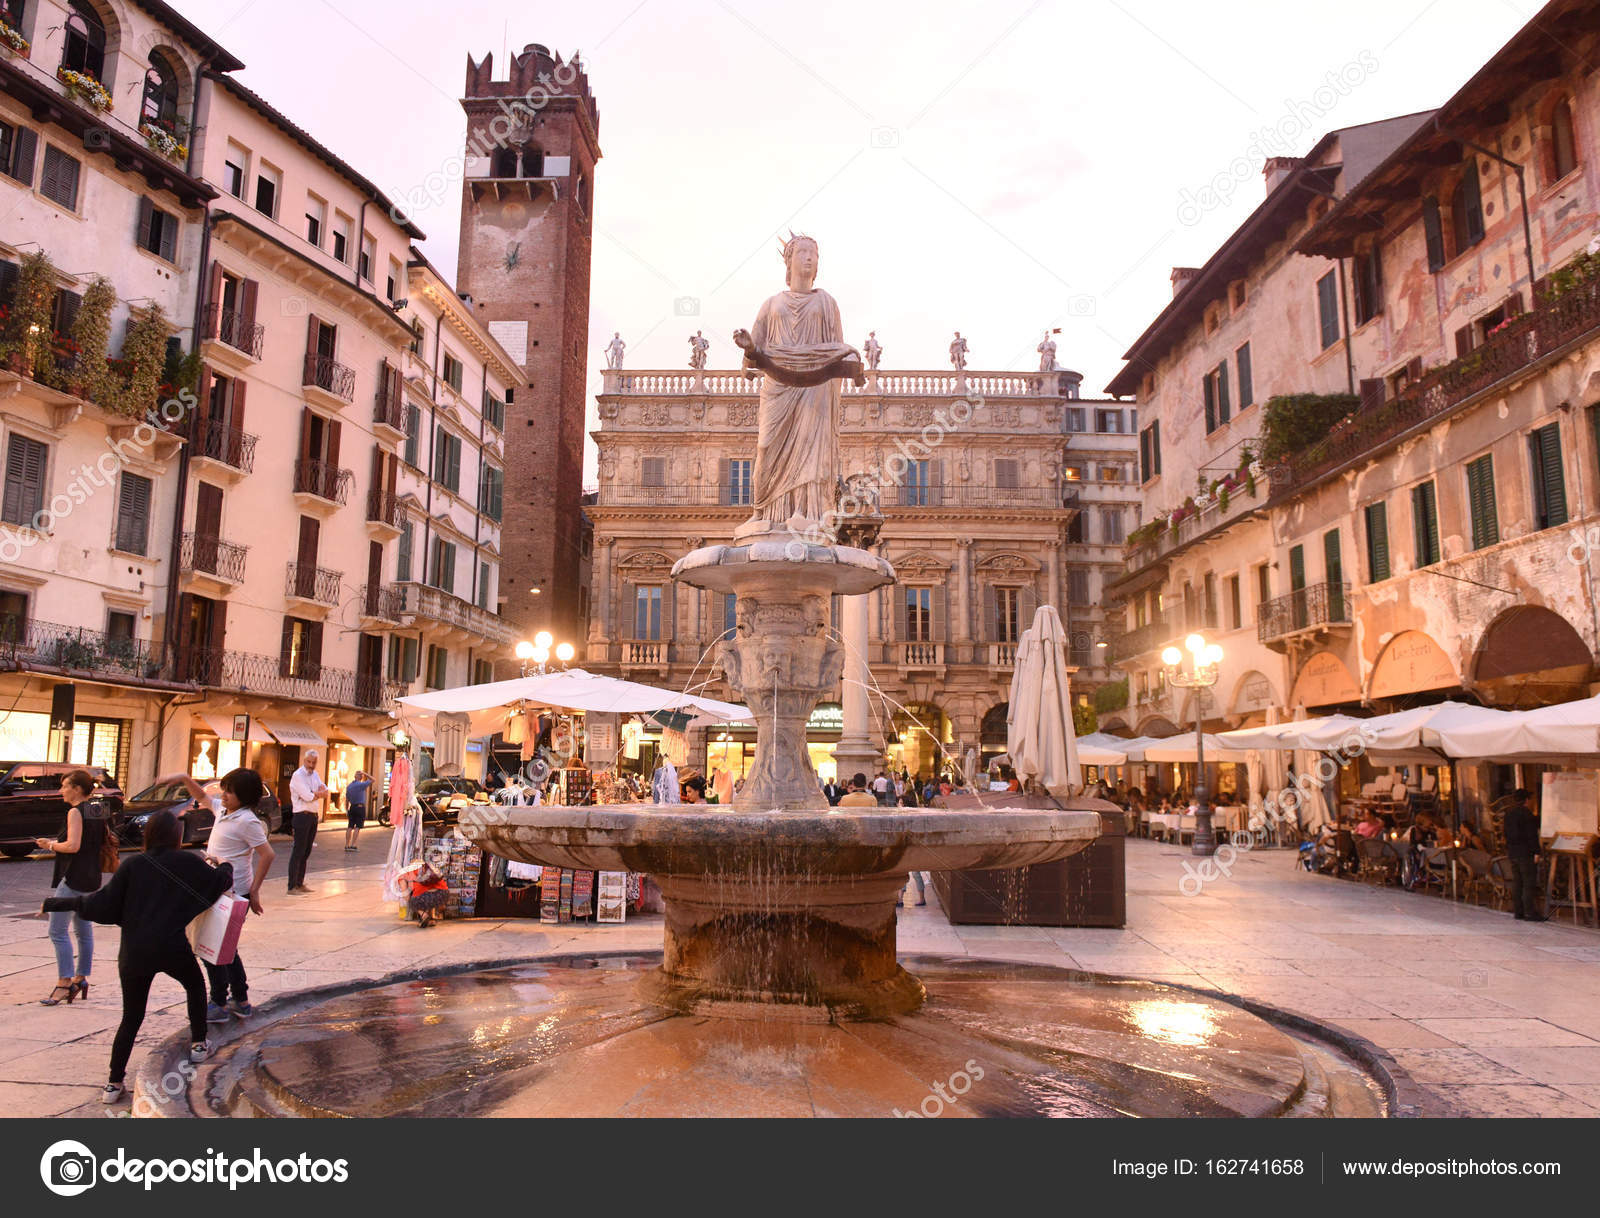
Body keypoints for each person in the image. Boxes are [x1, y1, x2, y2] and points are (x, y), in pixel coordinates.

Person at [43, 809, 234, 1104]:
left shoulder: (134, 866)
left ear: (148, 835)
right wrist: (225, 866)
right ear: (176, 836)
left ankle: (114, 1082)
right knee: (195, 986)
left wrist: (56, 903)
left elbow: (102, 903)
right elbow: (218, 882)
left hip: (134, 951)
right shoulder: (186, 861)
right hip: (171, 946)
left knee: (131, 1017)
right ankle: (199, 1043)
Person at [201, 767, 276, 1021]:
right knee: (223, 947)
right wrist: (182, 779)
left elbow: (268, 854)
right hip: (217, 888)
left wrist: (254, 891)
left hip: (235, 891)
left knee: (215, 947)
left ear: (243, 796)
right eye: (224, 790)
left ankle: (221, 1002)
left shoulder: (248, 821)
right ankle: (238, 1000)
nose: (224, 795)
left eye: (230, 792)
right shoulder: (225, 812)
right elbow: (201, 798)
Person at [35, 769, 110, 1005]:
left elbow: (73, 846)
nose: (61, 791)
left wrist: (50, 845)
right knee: (83, 929)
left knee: (57, 931)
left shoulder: (75, 812)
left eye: (65, 786)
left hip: (74, 876)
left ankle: (64, 983)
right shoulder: (97, 808)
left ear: (77, 789)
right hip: (92, 875)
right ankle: (81, 978)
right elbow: (95, 841)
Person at [1502, 788, 1546, 921]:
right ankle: (1530, 912)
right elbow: (1531, 835)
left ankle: (1518, 911)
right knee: (1528, 883)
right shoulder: (1526, 814)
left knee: (1518, 882)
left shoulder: (1509, 814)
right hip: (1526, 853)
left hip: (1513, 853)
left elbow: (1506, 834)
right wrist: (1537, 851)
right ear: (1527, 800)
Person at [287, 751, 328, 894]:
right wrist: (317, 794)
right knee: (298, 850)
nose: (311, 765)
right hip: (301, 816)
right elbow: (307, 796)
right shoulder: (298, 776)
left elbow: (325, 789)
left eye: (314, 762)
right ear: (304, 760)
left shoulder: (315, 775)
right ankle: (291, 886)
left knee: (306, 851)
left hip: (312, 816)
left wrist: (317, 793)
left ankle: (300, 883)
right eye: (309, 762)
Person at [408, 859, 449, 928]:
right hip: (443, 894)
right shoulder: (431, 868)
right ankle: (432, 919)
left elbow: (411, 887)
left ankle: (424, 915)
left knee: (411, 901)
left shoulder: (412, 871)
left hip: (425, 896)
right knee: (430, 898)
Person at [344, 770, 372, 852]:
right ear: (360, 777)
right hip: (360, 807)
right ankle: (353, 845)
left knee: (350, 826)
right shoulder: (361, 785)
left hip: (352, 807)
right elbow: (373, 779)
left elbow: (347, 800)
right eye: (362, 776)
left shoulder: (349, 786)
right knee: (357, 827)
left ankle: (346, 845)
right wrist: (366, 773)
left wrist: (346, 809)